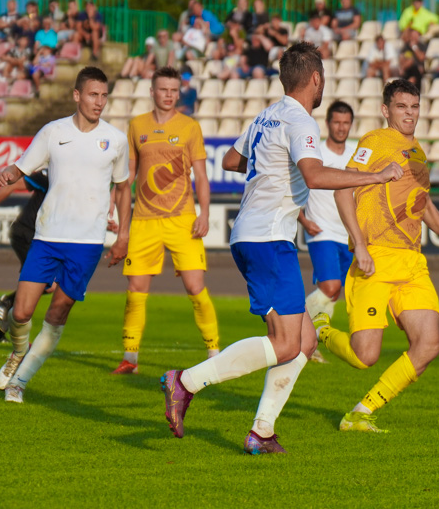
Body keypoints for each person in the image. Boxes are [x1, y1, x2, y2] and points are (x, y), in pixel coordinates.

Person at [159, 42, 403, 454]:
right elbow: (314, 175)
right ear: (316, 79)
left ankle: (262, 431)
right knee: (287, 343)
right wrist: (375, 177)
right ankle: (185, 381)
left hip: (252, 234)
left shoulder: (266, 116)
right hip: (270, 238)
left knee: (305, 341)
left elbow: (232, 161)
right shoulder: (300, 120)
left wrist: (270, 167)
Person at [313, 79, 439, 434]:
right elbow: (344, 187)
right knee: (364, 356)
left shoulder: (417, 151)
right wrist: (360, 243)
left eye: (414, 107)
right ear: (386, 110)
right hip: (377, 258)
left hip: (412, 262)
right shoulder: (375, 142)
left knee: (428, 345)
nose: (409, 114)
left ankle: (361, 412)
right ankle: (320, 330)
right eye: (402, 107)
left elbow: (422, 201)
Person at [0, 67, 132, 403]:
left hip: (86, 244)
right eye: (93, 95)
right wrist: (10, 170)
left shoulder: (115, 140)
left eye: (104, 96)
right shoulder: (52, 132)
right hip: (48, 236)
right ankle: (17, 352)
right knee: (22, 312)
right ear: (76, 95)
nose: (99, 102)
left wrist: (123, 234)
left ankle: (19, 382)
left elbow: (124, 186)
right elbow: (23, 166)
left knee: (57, 314)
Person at [112, 66, 219, 375]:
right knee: (136, 290)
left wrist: (205, 214)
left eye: (174, 90)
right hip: (144, 221)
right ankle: (130, 359)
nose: (169, 95)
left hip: (182, 219)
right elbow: (128, 175)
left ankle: (214, 354)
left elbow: (201, 175)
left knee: (195, 287)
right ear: (152, 91)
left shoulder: (189, 127)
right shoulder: (136, 126)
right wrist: (113, 203)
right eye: (164, 89)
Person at [298, 101, 358, 362]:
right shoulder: (316, 154)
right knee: (331, 285)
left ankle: (307, 343)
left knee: (334, 293)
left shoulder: (357, 154)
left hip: (348, 235)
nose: (341, 127)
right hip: (321, 232)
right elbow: (293, 188)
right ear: (328, 123)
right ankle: (295, 318)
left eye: (346, 123)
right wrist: (303, 220)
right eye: (337, 122)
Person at [0, 170, 51, 343]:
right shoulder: (49, 174)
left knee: (44, 286)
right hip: (27, 233)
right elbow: (13, 185)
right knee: (43, 285)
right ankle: (8, 303)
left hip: (42, 237)